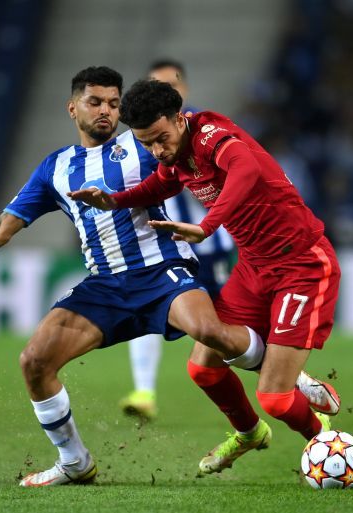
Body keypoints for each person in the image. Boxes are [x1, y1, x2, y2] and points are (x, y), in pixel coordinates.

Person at [0, 67, 271, 487]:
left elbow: (192, 148)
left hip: (161, 268)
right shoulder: (55, 168)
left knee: (210, 331)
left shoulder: (142, 142)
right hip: (105, 286)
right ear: (72, 107)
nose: (106, 111)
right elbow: (1, 229)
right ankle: (75, 462)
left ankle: (287, 377)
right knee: (35, 361)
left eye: (114, 103)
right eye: (95, 102)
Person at [70, 79, 342, 475]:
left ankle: (326, 446)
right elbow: (157, 184)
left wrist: (209, 225)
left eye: (161, 138)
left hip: (301, 265)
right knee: (203, 369)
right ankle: (250, 434)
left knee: (276, 399)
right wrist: (115, 200)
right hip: (253, 267)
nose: (157, 150)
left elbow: (245, 168)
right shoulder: (175, 157)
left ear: (180, 119)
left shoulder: (213, 137)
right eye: (147, 144)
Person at [120, 60, 235, 421]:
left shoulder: (199, 129)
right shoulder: (143, 137)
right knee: (147, 309)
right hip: (167, 244)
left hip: (208, 241)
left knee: (221, 328)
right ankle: (144, 390)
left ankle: (286, 379)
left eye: (170, 84)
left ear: (181, 89)